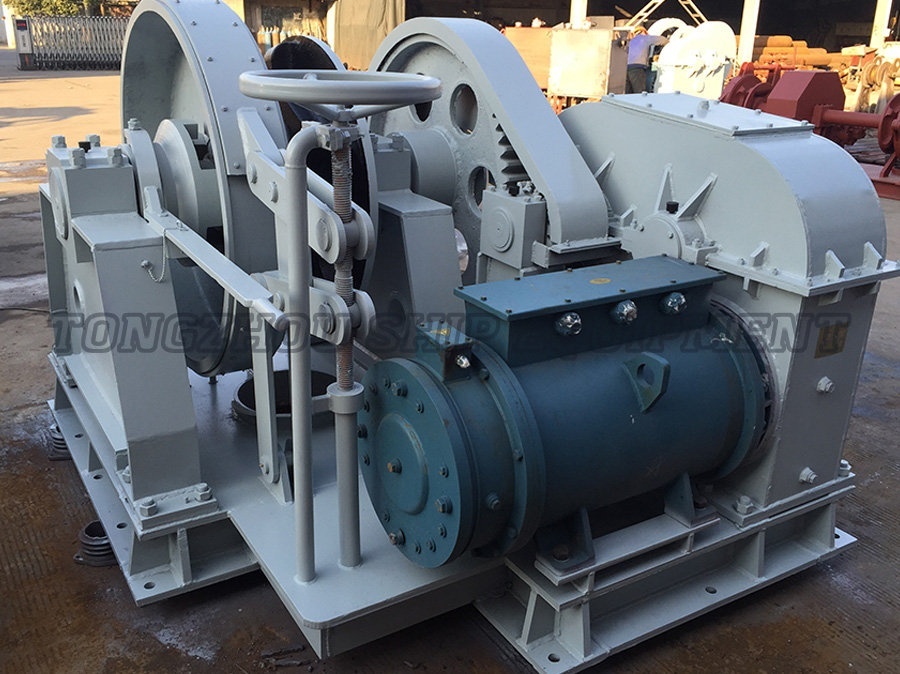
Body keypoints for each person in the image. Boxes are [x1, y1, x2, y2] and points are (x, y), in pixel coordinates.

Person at [626, 27, 668, 93]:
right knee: (640, 92)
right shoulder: (645, 38)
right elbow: (663, 40)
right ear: (644, 32)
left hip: (626, 68)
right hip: (637, 68)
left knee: (628, 92)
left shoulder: (631, 41)